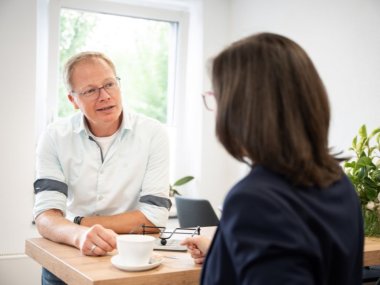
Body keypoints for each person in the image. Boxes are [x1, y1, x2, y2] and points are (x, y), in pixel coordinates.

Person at [181, 33, 364, 284]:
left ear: (241, 108)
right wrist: (223, 246)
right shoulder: (337, 181)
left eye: (216, 97)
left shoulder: (255, 200)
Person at [33, 51, 171, 284]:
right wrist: (79, 235)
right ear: (73, 100)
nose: (105, 96)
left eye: (109, 84)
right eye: (90, 90)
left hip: (129, 260)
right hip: (68, 257)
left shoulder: (153, 134)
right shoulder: (54, 136)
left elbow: (154, 218)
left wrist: (78, 222)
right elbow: (46, 216)